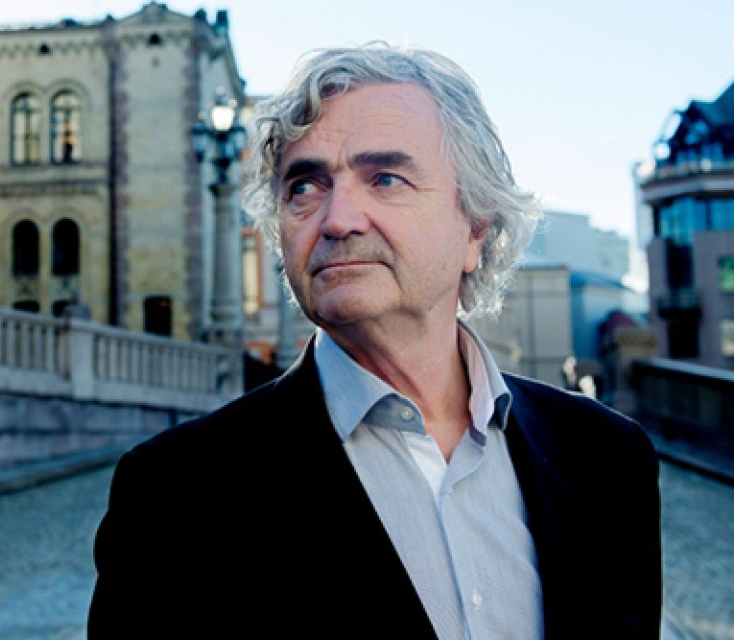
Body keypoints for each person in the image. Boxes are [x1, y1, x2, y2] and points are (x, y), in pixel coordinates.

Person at [88, 43, 661, 639]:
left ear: (475, 229)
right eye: (304, 187)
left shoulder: (607, 459)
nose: (337, 219)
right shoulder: (174, 495)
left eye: (385, 178)